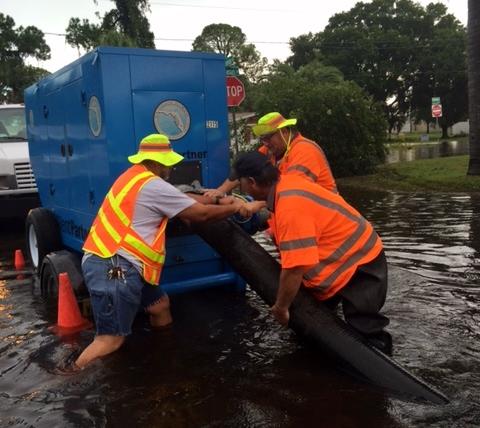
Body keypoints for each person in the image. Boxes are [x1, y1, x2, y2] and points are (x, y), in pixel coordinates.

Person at [70, 134, 264, 371]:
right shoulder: (152, 185)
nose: (171, 167)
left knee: (159, 306)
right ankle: (67, 377)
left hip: (119, 262)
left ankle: (163, 360)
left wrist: (219, 199)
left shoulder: (135, 178)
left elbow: (183, 197)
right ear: (158, 163)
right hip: (114, 267)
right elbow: (200, 215)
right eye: (168, 163)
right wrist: (236, 207)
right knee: (109, 339)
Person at [232, 151, 392, 354]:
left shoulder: (290, 209)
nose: (240, 188)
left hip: (362, 261)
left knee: (365, 329)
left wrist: (281, 308)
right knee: (312, 320)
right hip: (340, 260)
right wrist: (260, 204)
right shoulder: (287, 182)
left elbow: (293, 269)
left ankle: (383, 372)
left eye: (240, 183)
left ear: (252, 182)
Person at [204, 112, 337, 198]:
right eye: (262, 139)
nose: (265, 143)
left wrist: (258, 204)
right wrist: (221, 191)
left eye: (268, 138)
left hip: (322, 213)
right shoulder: (270, 151)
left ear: (284, 131)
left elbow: (291, 191)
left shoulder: (305, 150)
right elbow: (244, 169)